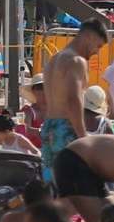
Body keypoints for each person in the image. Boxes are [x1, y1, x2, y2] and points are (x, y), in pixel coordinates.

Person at [40, 16, 106, 178]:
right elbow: (73, 100)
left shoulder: (54, 59)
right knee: (72, 188)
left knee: (52, 186)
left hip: (49, 126)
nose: (97, 52)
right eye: (98, 46)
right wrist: (83, 136)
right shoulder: (77, 61)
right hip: (66, 128)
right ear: (89, 37)